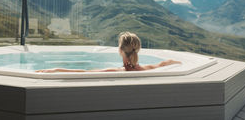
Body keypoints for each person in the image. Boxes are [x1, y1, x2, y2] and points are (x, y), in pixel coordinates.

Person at [35, 32, 181, 73]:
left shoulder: (117, 71)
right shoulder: (149, 69)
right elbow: (165, 62)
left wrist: (56, 69)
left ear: (120, 50)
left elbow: (83, 73)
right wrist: (177, 61)